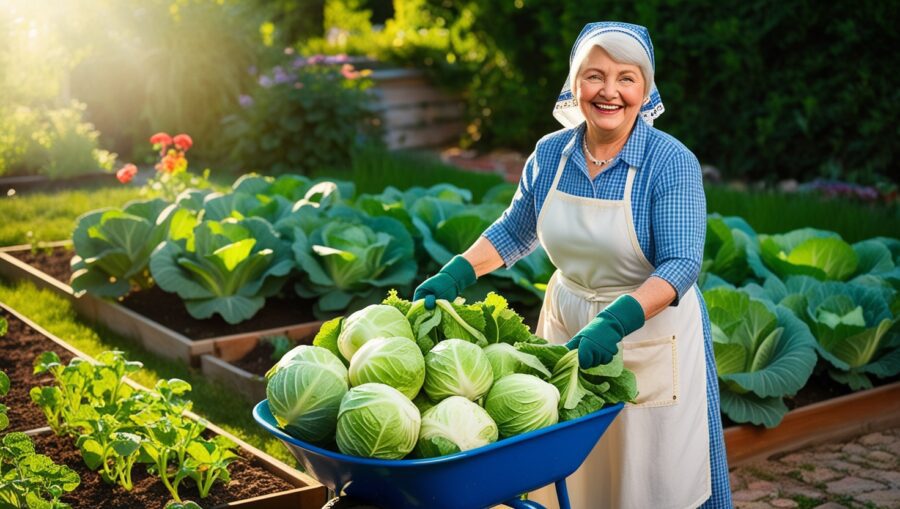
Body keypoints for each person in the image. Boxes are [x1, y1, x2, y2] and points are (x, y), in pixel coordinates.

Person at [412, 21, 732, 509]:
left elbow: (681, 263)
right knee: (573, 475)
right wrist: (457, 272)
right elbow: (516, 230)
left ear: (645, 89)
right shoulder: (551, 154)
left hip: (645, 332)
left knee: (651, 475)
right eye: (594, 75)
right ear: (574, 83)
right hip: (568, 326)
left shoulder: (670, 162)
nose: (609, 91)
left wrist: (615, 321)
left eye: (626, 78)